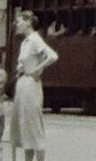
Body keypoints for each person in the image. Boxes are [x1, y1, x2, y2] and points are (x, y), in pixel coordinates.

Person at [12, 9, 59, 161]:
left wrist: (38, 69)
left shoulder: (34, 39)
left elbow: (52, 56)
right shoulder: (25, 42)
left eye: (19, 21)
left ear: (28, 22)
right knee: (25, 125)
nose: (16, 24)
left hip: (31, 84)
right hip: (23, 83)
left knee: (34, 124)